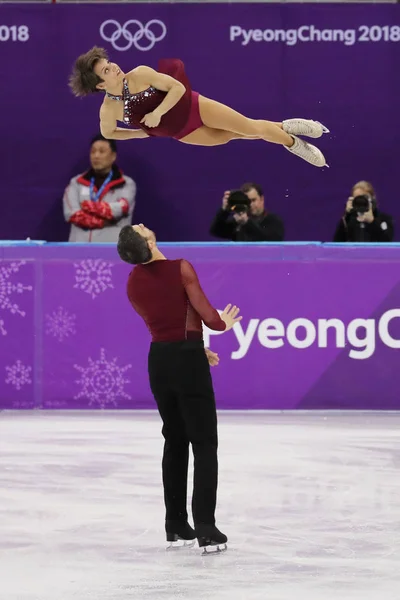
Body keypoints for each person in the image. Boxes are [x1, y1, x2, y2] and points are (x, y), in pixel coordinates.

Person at [117, 223, 242, 553]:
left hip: (160, 361)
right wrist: (222, 325)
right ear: (150, 240)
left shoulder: (133, 281)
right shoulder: (179, 267)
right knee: (204, 442)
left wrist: (195, 347)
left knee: (174, 439)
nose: (144, 224)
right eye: (141, 228)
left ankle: (175, 524)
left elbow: (164, 326)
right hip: (186, 362)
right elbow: (210, 318)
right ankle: (206, 526)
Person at [69, 46, 330, 168]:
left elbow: (177, 88)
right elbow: (108, 133)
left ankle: (294, 144)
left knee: (251, 128)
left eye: (109, 63)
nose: (114, 67)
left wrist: (158, 112)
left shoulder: (139, 74)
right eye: (106, 70)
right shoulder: (108, 110)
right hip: (183, 133)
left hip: (194, 107)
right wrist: (141, 133)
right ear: (100, 86)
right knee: (238, 135)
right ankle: (285, 127)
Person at [63, 133, 136, 242]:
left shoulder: (127, 184)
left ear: (113, 156)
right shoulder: (76, 183)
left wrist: (89, 206)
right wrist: (103, 221)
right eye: (93, 151)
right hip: (79, 250)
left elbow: (121, 208)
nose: (96, 156)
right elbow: (72, 214)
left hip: (113, 250)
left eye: (102, 151)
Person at [210, 183, 285, 241]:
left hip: (264, 261)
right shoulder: (239, 221)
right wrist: (224, 210)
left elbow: (270, 241)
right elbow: (215, 231)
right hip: (242, 260)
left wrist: (247, 223)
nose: (251, 204)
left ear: (262, 199)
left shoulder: (274, 220)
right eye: (247, 201)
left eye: (253, 200)